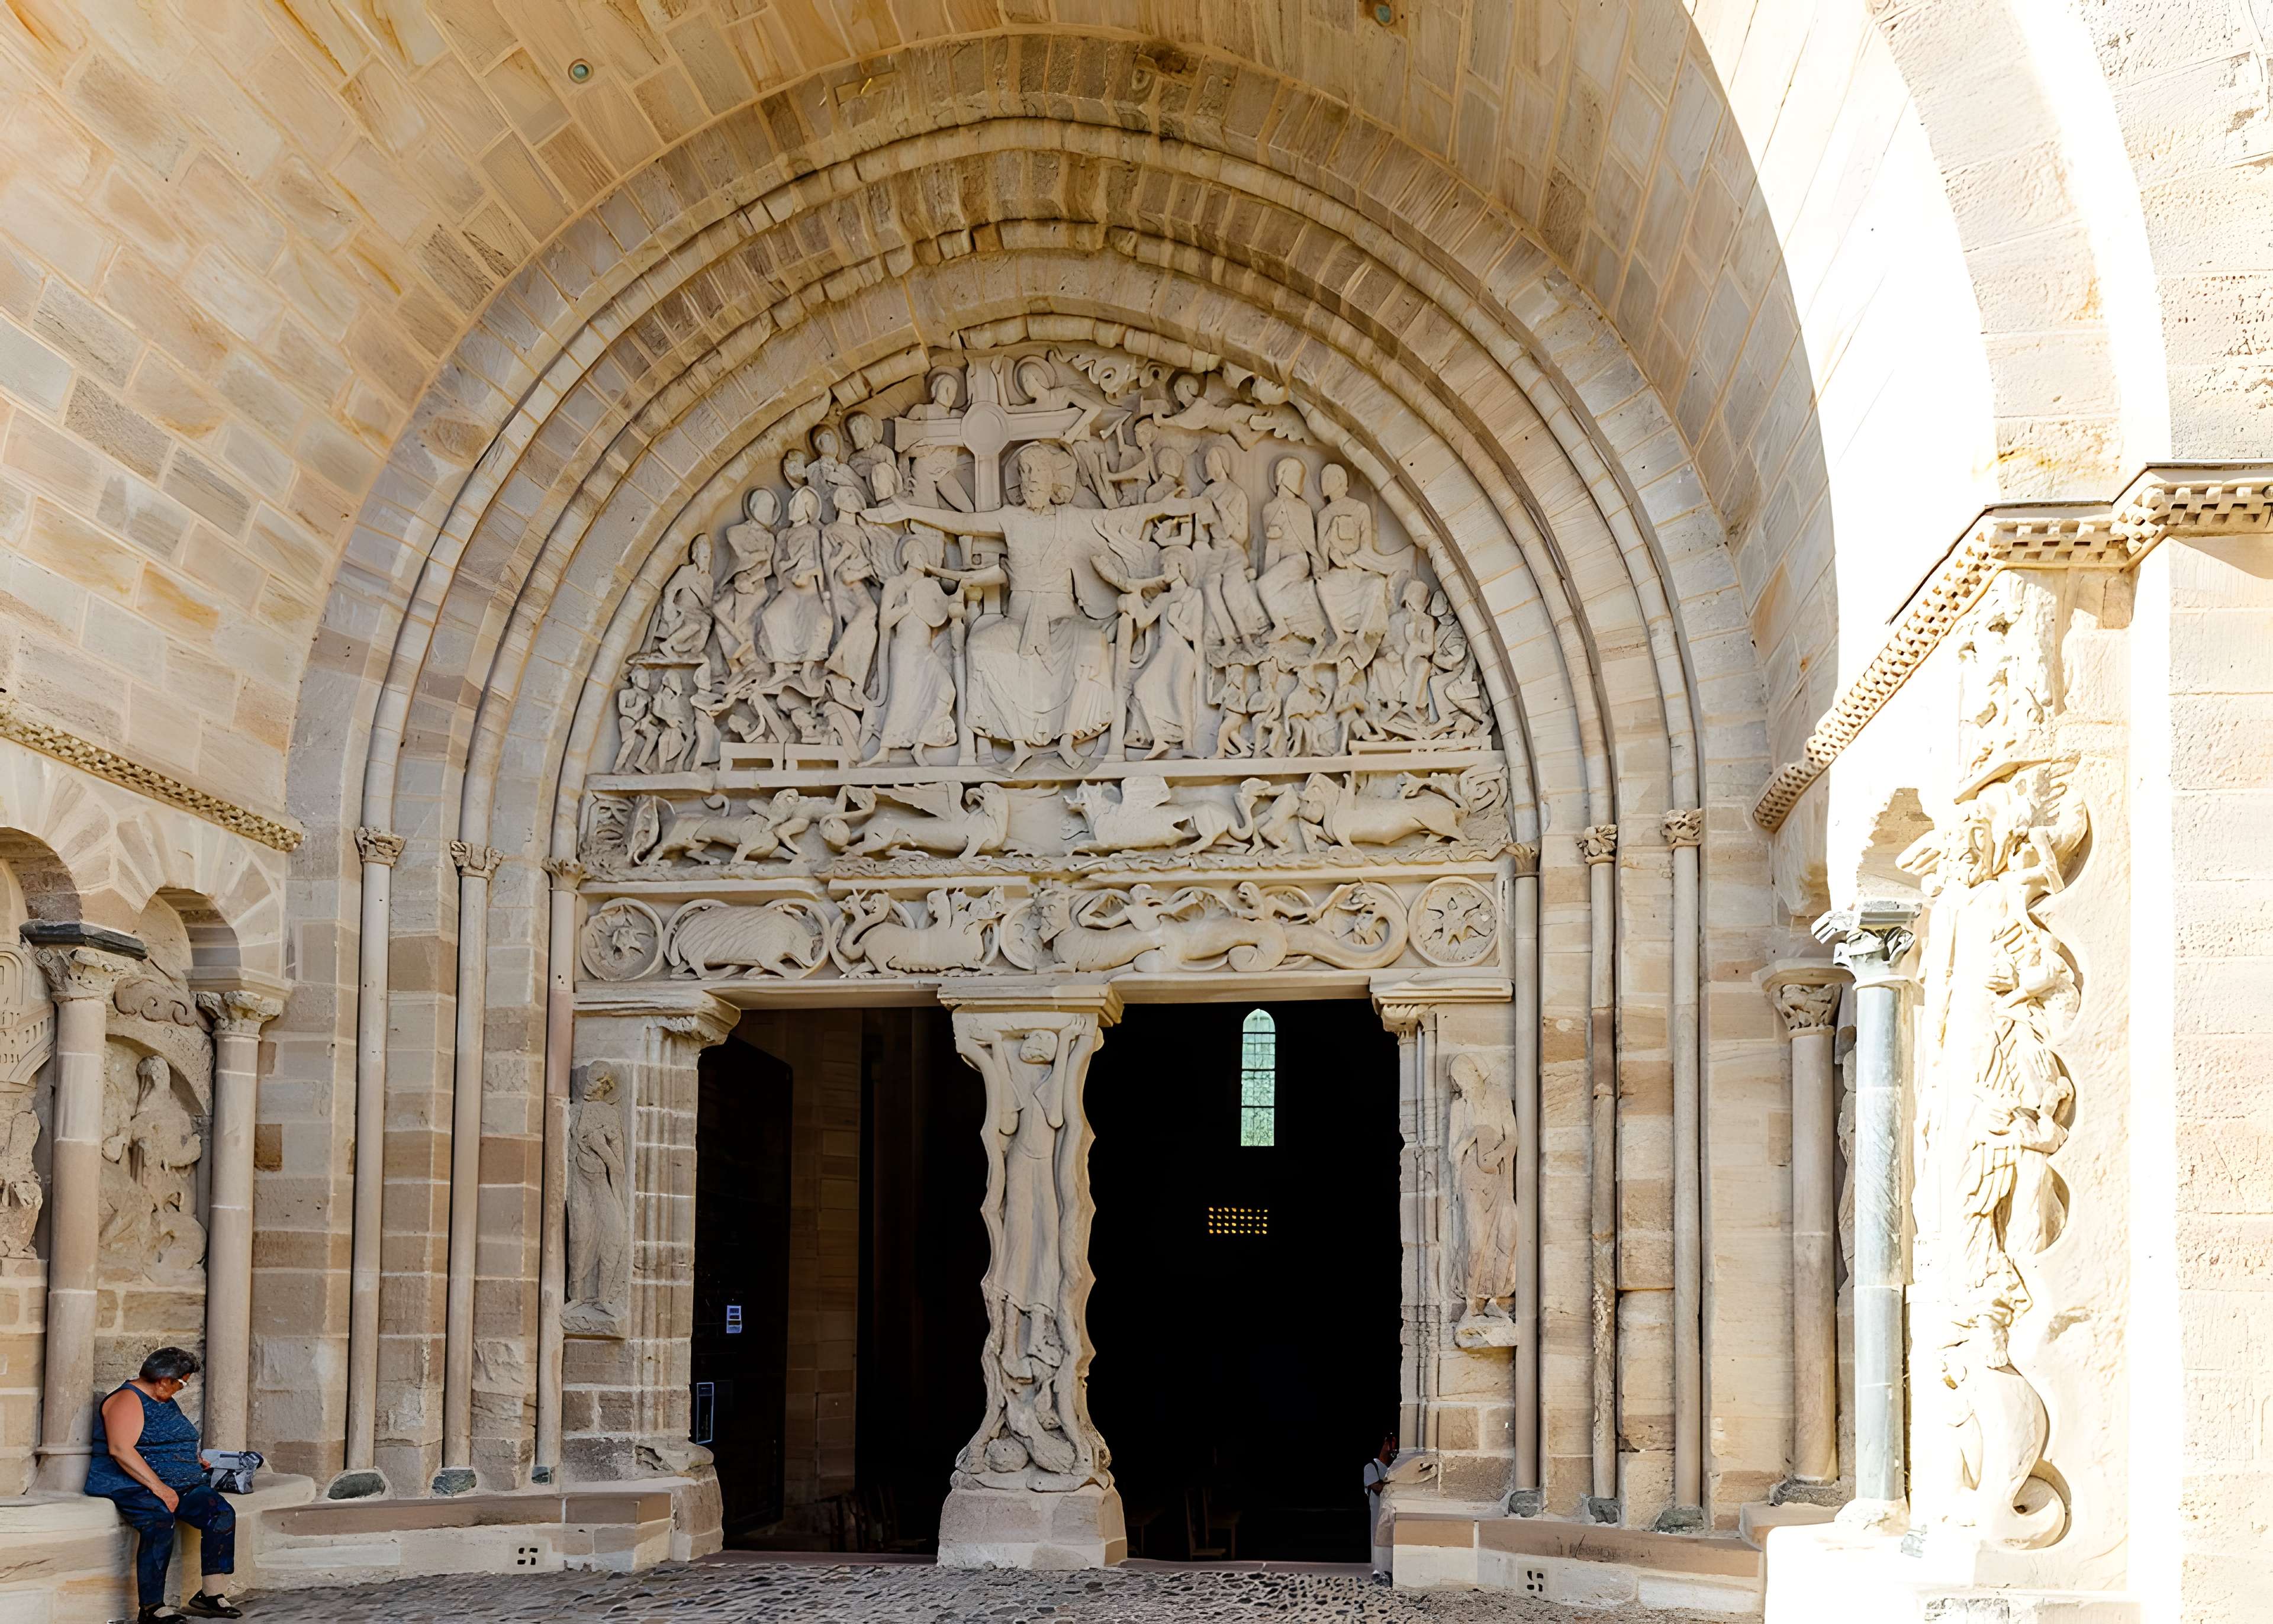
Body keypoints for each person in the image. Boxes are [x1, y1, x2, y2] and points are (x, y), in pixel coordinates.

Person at [86, 1346, 243, 1621]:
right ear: (164, 1380)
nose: (183, 1388)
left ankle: (210, 1595)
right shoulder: (127, 1399)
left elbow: (168, 1437)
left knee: (220, 1512)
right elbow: (121, 1450)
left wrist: (191, 1459)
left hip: (179, 1481)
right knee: (159, 1519)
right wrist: (161, 1489)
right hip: (131, 1483)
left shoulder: (163, 1399)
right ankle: (152, 1608)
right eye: (183, 1383)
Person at [1364, 1431, 1396, 1580]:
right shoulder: (1371, 1466)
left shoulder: (1391, 1467)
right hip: (1378, 1512)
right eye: (1392, 1442)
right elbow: (1377, 1487)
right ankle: (1378, 1569)